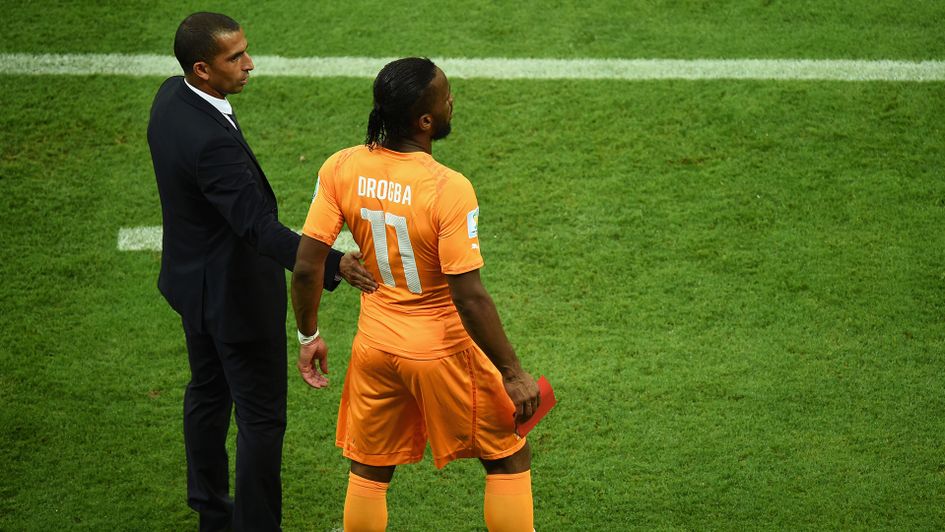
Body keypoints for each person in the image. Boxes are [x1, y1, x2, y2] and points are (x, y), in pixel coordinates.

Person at [147, 12, 377, 531]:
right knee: (261, 418)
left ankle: (210, 511)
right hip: (236, 298)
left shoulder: (170, 98)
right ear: (203, 68)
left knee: (207, 392)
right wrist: (334, 262)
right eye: (236, 58)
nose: (250, 64)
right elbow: (259, 230)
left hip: (191, 286)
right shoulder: (213, 145)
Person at [291, 57, 540, 532]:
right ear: (425, 121)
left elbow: (306, 268)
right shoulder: (449, 188)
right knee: (508, 453)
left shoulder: (341, 166)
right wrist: (513, 372)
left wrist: (309, 336)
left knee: (369, 466)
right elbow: (469, 297)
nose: (452, 102)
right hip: (441, 350)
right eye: (446, 97)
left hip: (375, 347)